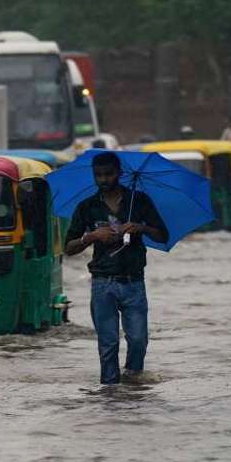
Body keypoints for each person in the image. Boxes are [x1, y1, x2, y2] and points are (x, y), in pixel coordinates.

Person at [64, 152, 169, 385]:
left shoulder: (139, 201)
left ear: (119, 174)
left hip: (133, 281)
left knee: (139, 339)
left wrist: (140, 227)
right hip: (102, 283)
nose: (103, 179)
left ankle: (132, 382)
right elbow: (68, 248)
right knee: (108, 343)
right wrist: (91, 236)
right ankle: (110, 392)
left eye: (108, 174)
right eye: (98, 175)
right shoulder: (87, 207)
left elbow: (163, 235)